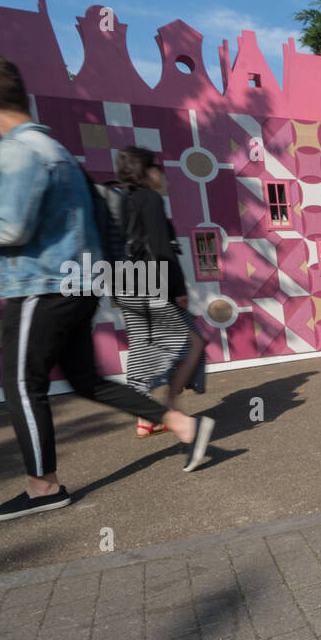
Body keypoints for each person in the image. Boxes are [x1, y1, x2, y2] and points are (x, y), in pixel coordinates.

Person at [0, 52, 214, 522]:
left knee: (20, 382)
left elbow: (12, 228)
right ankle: (180, 422)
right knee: (85, 380)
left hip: (41, 285)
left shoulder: (17, 151)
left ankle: (44, 488)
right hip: (81, 282)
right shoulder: (58, 152)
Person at [112, 146, 209, 437]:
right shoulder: (148, 198)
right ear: (146, 171)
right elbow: (161, 248)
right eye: (157, 169)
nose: (162, 175)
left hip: (129, 285)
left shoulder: (123, 201)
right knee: (194, 343)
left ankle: (150, 416)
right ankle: (166, 410)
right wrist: (177, 289)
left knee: (147, 346)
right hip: (152, 287)